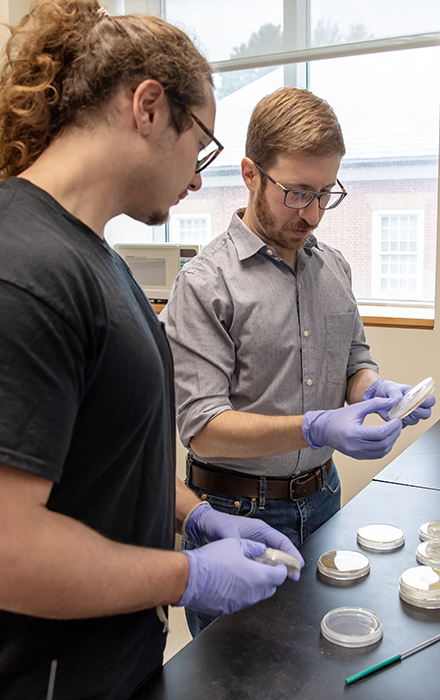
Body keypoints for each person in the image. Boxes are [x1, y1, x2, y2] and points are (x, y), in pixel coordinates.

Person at [0, 4, 305, 699]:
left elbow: (110, 454)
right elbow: (9, 550)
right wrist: (188, 574)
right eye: (200, 148)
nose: (199, 179)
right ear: (147, 106)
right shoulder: (27, 271)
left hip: (120, 660)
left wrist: (194, 513)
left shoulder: (95, 261)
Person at [160, 86, 435, 636]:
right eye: (296, 193)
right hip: (237, 512)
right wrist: (314, 425)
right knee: (235, 676)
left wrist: (374, 391)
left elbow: (356, 359)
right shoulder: (205, 284)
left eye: (325, 193)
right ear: (249, 174)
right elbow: (204, 430)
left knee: (319, 663)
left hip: (324, 498)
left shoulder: (332, 267)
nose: (312, 214)